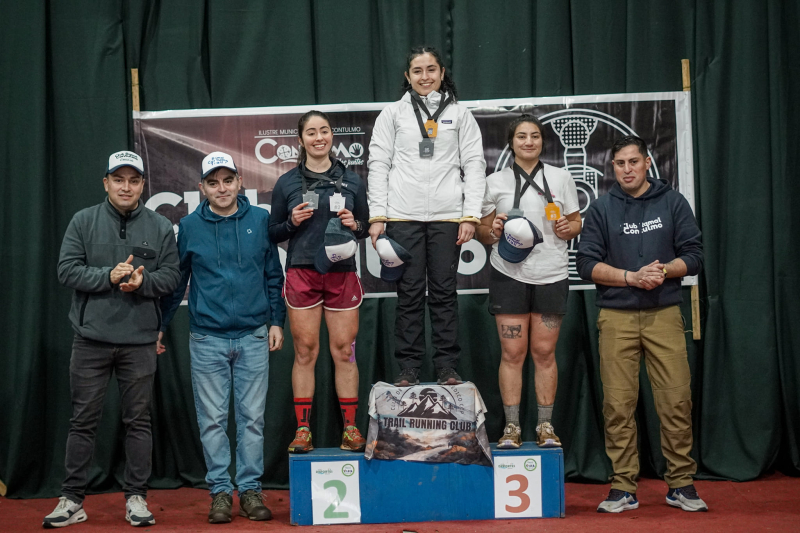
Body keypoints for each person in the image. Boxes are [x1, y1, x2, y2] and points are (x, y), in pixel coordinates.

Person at [45, 151, 180, 528]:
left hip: (139, 342)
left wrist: (143, 282)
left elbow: (172, 277)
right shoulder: (83, 220)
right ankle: (72, 499)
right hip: (90, 340)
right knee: (82, 421)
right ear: (106, 183)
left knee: (138, 421)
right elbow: (66, 270)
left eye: (133, 180)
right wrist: (107, 276)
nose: (126, 187)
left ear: (142, 185)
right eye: (118, 179)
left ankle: (136, 498)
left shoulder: (159, 226)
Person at [576, 135, 707, 513]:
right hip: (615, 317)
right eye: (620, 164)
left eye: (634, 162)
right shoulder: (601, 209)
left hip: (664, 314)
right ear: (612, 168)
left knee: (676, 401)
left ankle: (681, 483)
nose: (627, 169)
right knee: (618, 405)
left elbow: (694, 256)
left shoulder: (672, 202)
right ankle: (623, 486)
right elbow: (586, 264)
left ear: (647, 163)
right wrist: (630, 277)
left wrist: (662, 271)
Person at [157, 152, 285, 524]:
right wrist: (160, 326)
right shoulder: (189, 226)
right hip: (206, 338)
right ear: (202, 187)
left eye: (228, 180)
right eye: (213, 183)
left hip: (253, 336)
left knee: (252, 420)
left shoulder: (260, 219)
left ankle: (250, 490)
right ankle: (219, 493)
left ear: (239, 182)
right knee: (212, 420)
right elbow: (177, 282)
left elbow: (273, 276)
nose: (222, 188)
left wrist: (276, 321)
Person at [367, 45, 487, 387]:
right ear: (407, 77)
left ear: (442, 72)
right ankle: (408, 367)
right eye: (417, 71)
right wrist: (378, 215)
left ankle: (447, 366)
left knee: (444, 293)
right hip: (402, 216)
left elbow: (474, 165)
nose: (425, 77)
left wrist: (470, 215)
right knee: (408, 294)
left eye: (431, 69)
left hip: (448, 217)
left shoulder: (460, 114)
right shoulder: (392, 114)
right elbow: (378, 165)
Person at [476, 115, 582, 449]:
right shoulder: (495, 181)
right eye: (521, 136)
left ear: (542, 141)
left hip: (552, 273)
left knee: (544, 352)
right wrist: (492, 231)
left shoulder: (561, 177)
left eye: (535, 136)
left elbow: (576, 222)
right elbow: (482, 231)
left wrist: (568, 228)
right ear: (511, 143)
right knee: (512, 352)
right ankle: (511, 427)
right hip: (509, 274)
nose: (529, 141)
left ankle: (545, 426)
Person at [269, 110, 370, 454]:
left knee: (344, 351)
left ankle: (351, 430)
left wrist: (354, 224)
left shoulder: (353, 180)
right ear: (301, 140)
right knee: (305, 351)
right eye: (311, 132)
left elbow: (364, 228)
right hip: (302, 272)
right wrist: (292, 223)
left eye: (324, 131)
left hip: (341, 273)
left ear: (331, 136)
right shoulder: (286, 183)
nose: (318, 137)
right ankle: (303, 431)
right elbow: (273, 232)